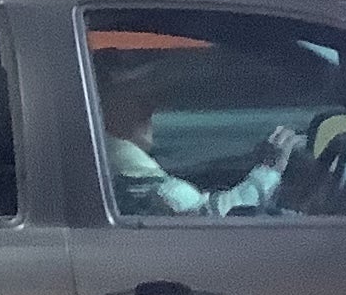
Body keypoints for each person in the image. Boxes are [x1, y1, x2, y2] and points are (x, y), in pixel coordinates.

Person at [101, 75, 303, 217]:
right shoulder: (147, 184)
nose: (150, 111)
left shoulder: (109, 166)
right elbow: (221, 218)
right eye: (140, 102)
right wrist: (269, 170)